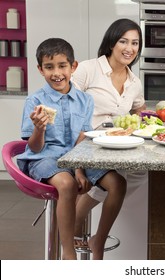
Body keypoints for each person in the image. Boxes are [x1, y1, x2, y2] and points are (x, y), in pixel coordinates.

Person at [17, 38, 127, 260]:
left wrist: (79, 169)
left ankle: (98, 241)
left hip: (76, 157)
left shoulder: (85, 100)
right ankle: (68, 254)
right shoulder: (35, 100)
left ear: (73, 67)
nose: (56, 73)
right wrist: (39, 129)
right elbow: (34, 147)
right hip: (45, 158)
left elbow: (82, 137)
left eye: (62, 66)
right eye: (49, 67)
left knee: (118, 183)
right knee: (66, 185)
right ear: (40, 69)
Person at [71, 18, 147, 250]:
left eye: (135, 43)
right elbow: (68, 107)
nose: (129, 48)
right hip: (82, 143)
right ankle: (74, 230)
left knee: (141, 171)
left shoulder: (134, 81)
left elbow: (139, 110)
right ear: (112, 42)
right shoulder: (88, 68)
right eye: (123, 41)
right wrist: (77, 164)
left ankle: (77, 227)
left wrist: (142, 118)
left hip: (112, 145)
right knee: (116, 182)